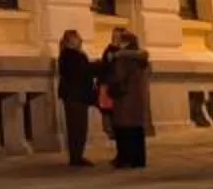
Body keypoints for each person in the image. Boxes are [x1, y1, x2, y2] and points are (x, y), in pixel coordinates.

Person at [103, 25, 154, 169]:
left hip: (124, 99)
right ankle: (139, 160)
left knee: (124, 131)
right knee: (137, 131)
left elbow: (117, 77)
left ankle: (125, 159)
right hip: (137, 100)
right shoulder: (141, 58)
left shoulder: (122, 59)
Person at [54, 29, 96, 166]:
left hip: (75, 95)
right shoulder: (71, 56)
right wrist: (95, 67)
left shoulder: (70, 55)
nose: (80, 40)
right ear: (71, 41)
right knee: (77, 127)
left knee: (77, 127)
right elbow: (81, 73)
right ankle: (76, 156)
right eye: (77, 38)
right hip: (76, 96)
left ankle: (76, 155)